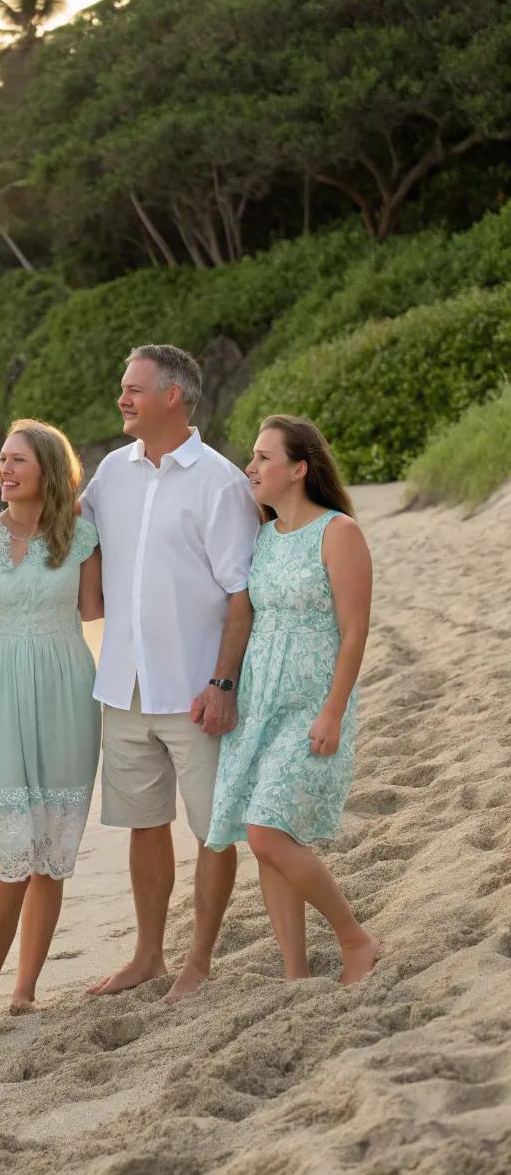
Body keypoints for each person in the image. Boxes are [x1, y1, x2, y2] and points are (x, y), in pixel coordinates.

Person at [82, 344, 261, 1003]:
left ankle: (200, 962)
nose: (122, 398)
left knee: (213, 829)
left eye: (133, 389)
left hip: (194, 690)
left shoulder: (219, 482)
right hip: (123, 684)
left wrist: (223, 684)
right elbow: (65, 536)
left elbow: (242, 593)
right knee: (145, 823)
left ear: (172, 396)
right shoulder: (111, 471)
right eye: (123, 387)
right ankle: (148, 955)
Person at [206, 415, 380, 985]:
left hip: (311, 705)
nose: (250, 467)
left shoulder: (338, 532)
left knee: (266, 831)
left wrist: (333, 710)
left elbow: (355, 632)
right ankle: (295, 973)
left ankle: (355, 939)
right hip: (260, 705)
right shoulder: (262, 536)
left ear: (300, 468)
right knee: (268, 840)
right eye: (252, 457)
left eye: (264, 458)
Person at [0, 418, 103, 1030]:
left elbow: (97, 609)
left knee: (51, 855)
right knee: (9, 853)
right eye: (1, 460)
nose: (4, 470)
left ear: (48, 470)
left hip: (68, 691)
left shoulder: (81, 537)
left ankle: (25, 988)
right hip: (0, 693)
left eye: (17, 460)